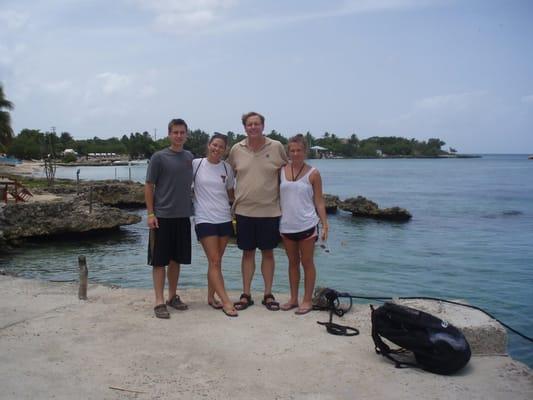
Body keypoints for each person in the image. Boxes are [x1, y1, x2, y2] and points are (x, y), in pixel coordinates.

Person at [228, 111, 288, 311]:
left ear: (263, 126)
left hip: (270, 211)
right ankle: (246, 294)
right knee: (247, 254)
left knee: (268, 254)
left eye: (256, 124)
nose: (253, 127)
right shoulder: (237, 149)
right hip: (244, 211)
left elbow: (288, 175)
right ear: (244, 127)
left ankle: (268, 294)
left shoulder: (277, 147)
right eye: (249, 124)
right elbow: (229, 177)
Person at [145, 118, 193, 319]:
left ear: (186, 135)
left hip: (182, 216)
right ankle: (158, 300)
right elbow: (149, 185)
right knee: (159, 261)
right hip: (162, 216)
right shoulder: (158, 157)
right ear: (169, 134)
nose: (179, 136)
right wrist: (150, 213)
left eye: (182, 132)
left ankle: (172, 296)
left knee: (176, 260)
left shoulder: (190, 157)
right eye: (175, 132)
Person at [279, 134, 328, 315]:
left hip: (307, 224)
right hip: (286, 225)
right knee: (292, 263)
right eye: (292, 150)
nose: (295, 153)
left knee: (307, 262)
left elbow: (319, 201)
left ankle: (307, 300)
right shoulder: (281, 170)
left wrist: (325, 223)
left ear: (304, 151)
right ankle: (293, 298)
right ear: (288, 152)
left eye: (299, 150)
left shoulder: (313, 173)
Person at [192, 133, 238, 317]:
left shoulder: (227, 168)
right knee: (214, 261)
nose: (217, 149)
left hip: (224, 219)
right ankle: (226, 301)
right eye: (214, 145)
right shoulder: (196, 164)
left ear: (225, 150)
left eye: (221, 146)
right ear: (208, 145)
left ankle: (211, 298)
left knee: (217, 261)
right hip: (204, 219)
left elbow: (230, 194)